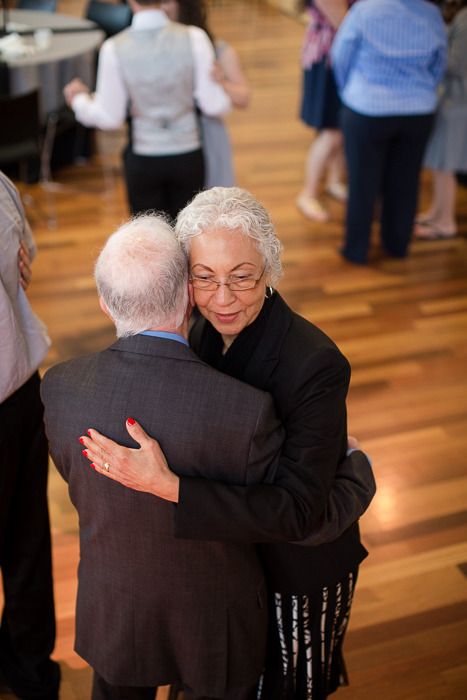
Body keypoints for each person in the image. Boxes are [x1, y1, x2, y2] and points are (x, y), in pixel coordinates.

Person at [81, 187, 374, 700]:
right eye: (204, 278)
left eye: (242, 278)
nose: (222, 299)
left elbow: (300, 511)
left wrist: (172, 488)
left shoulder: (315, 366)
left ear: (270, 270)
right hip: (225, 567)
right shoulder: (194, 333)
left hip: (294, 570)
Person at [41, 214, 288, 700]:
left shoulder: (60, 388)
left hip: (117, 602)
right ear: (187, 296)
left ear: (104, 303)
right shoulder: (247, 410)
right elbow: (268, 518)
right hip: (212, 618)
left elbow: (77, 480)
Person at [63, 0, 231, 220]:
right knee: (189, 234)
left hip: (144, 159)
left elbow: (109, 117)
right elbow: (214, 104)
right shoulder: (195, 38)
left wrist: (79, 101)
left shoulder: (114, 48)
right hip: (188, 155)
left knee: (150, 242)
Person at [0, 170, 60, 700]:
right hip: (19, 384)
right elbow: (25, 261)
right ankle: (31, 663)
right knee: (27, 537)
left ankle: (28, 660)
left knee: (26, 535)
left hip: (16, 387)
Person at [331, 0, 447, 264]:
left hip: (367, 107)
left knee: (362, 182)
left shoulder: (366, 9)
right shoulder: (430, 12)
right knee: (406, 180)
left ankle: (356, 249)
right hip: (418, 109)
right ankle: (397, 244)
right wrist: (423, 90)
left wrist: (350, 90)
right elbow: (440, 61)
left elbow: (341, 55)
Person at [161, 0, 250, 188]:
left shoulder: (218, 49)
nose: (159, 8)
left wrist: (221, 81)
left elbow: (244, 98)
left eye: (165, 1)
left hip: (209, 138)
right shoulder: (150, 50)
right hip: (167, 140)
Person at [296, 0, 354, 223]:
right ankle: (307, 193)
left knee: (339, 128)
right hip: (328, 58)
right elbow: (346, 23)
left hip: (337, 56)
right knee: (331, 131)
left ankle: (334, 181)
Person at [415, 0, 467, 240]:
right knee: (437, 163)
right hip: (448, 99)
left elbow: (457, 64)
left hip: (456, 103)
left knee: (445, 166)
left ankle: (446, 222)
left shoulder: (465, 18)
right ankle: (436, 212)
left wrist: (428, 50)